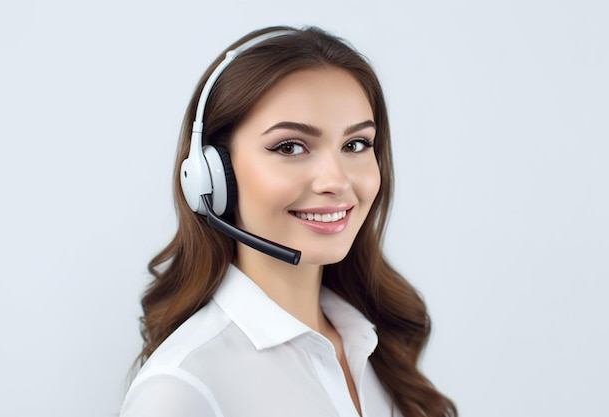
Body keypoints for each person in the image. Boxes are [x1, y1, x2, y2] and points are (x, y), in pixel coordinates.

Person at [120, 26, 456, 417]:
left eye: (356, 145)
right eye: (290, 146)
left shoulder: (372, 344)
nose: (336, 181)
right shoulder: (182, 388)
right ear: (212, 176)